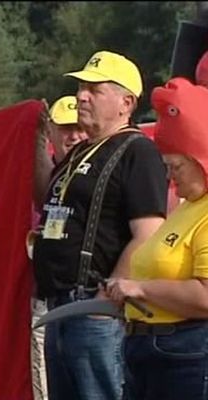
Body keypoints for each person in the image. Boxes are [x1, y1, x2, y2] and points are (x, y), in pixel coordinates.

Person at [32, 50, 168, 400]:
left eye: (95, 88)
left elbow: (149, 233)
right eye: (80, 87)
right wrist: (35, 141)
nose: (81, 95)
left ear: (126, 102)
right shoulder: (81, 151)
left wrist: (106, 297)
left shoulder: (138, 152)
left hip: (95, 310)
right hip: (61, 306)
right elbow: (46, 196)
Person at [106, 77, 208, 400]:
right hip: (151, 350)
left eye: (176, 166)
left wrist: (140, 288)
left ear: (201, 160)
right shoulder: (188, 207)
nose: (170, 177)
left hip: (185, 354)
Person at [30, 95, 88, 400]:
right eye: (65, 128)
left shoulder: (98, 172)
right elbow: (41, 198)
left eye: (79, 127)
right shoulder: (51, 176)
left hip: (90, 301)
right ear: (51, 132)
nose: (74, 135)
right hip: (47, 300)